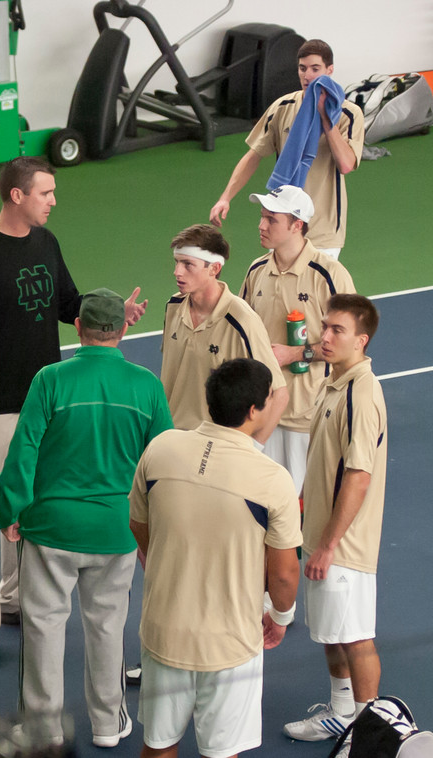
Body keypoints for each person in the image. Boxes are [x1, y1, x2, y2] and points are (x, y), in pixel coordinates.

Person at [0, 156, 145, 663]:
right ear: (17, 196)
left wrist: (112, 317)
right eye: (45, 193)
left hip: (44, 407)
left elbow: (67, 303)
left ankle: (11, 600)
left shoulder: (46, 243)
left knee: (27, 508)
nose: (53, 201)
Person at [0, 289, 172, 749]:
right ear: (124, 329)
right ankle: (108, 724)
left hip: (50, 528)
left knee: (43, 626)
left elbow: (23, 449)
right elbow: (163, 463)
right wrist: (156, 530)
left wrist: (10, 509)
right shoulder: (146, 385)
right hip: (116, 530)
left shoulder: (49, 380)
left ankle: (43, 729)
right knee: (109, 627)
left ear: (78, 327)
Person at [129, 358, 302, 758]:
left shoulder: (160, 449)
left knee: (158, 745)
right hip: (231, 644)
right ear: (254, 410)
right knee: (222, 753)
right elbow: (284, 574)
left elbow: (139, 524)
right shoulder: (273, 480)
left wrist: (168, 561)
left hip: (163, 631)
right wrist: (280, 618)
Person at [283, 294, 387, 754]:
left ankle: (369, 736)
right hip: (322, 534)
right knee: (331, 634)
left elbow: (359, 476)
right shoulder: (334, 383)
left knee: (356, 638)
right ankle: (343, 713)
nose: (324, 336)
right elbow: (328, 462)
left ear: (361, 340)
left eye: (337, 330)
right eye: (324, 326)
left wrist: (327, 545)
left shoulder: (361, 393)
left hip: (343, 545)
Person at [239, 185, 355, 492]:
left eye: (271, 219)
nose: (261, 225)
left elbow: (349, 344)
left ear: (297, 225)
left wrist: (294, 354)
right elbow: (241, 334)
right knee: (262, 504)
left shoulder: (329, 275)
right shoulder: (256, 270)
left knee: (306, 508)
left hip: (308, 418)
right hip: (261, 414)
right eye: (262, 217)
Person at [210, 39, 364, 259]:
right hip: (282, 224)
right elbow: (253, 155)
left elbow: (346, 164)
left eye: (315, 69)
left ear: (329, 70)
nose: (307, 76)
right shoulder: (282, 107)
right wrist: (225, 198)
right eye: (302, 68)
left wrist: (326, 118)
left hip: (324, 231)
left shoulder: (349, 113)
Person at [161, 223, 288, 444]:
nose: (177, 272)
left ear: (214, 268)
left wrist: (252, 449)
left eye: (188, 264)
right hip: (172, 439)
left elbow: (279, 394)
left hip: (216, 445)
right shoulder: (173, 306)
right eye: (177, 262)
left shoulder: (242, 320)